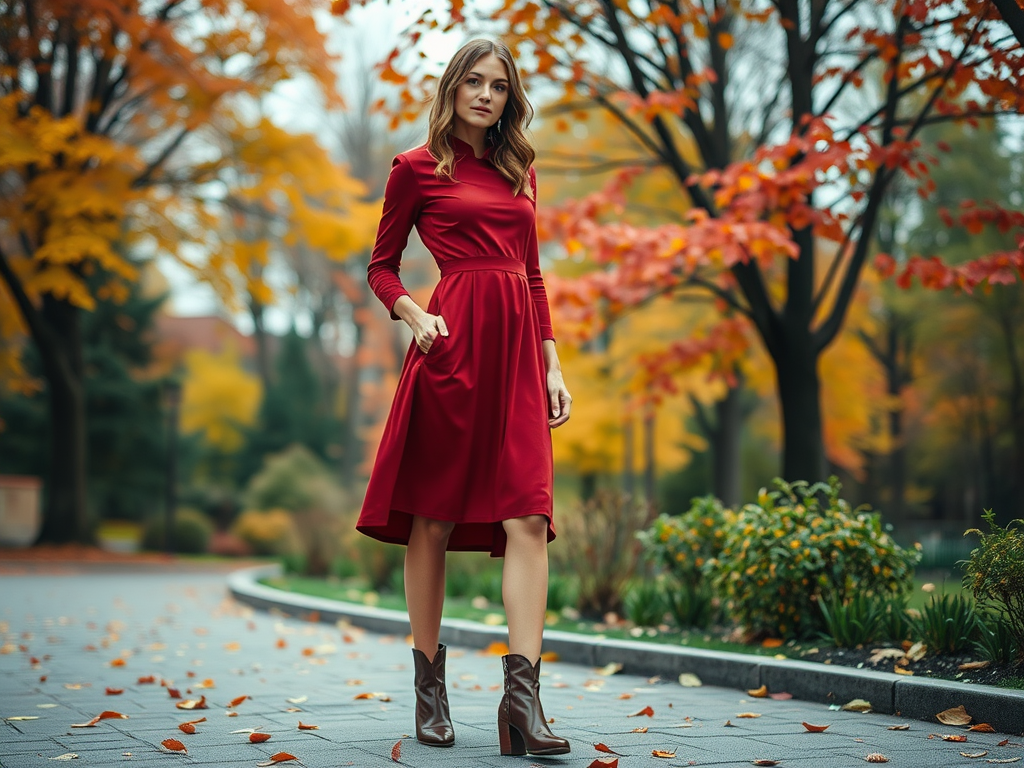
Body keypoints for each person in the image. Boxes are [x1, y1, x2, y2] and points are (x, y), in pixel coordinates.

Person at [355, 38, 572, 757]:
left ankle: (523, 702)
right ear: (452, 88)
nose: (486, 95)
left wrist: (552, 363)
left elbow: (532, 275)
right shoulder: (415, 169)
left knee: (528, 518)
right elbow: (381, 268)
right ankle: (429, 692)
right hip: (450, 350)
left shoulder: (520, 170)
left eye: (500, 86)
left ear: (510, 98)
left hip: (516, 358)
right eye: (474, 81)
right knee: (435, 522)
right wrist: (415, 315)